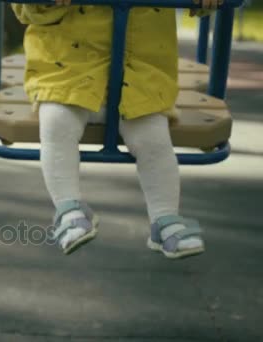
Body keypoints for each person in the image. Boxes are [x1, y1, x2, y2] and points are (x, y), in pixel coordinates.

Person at [11, 0, 220, 259]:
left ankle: (165, 219)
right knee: (56, 124)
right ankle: (69, 210)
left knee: (153, 140)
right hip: (67, 72)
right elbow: (27, 10)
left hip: (138, 75)